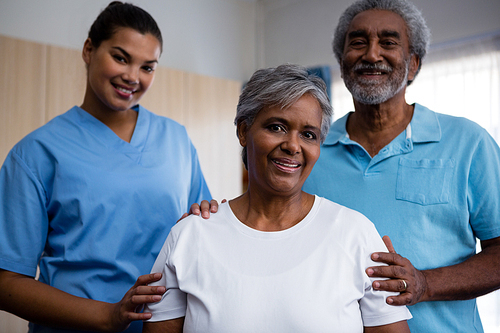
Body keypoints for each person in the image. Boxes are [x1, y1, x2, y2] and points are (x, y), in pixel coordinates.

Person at [142, 64, 412, 333]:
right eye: (277, 127)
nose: (293, 146)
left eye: (308, 134)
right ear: (244, 131)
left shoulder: (357, 234)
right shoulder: (190, 235)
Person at [0, 2, 211, 332]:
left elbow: (200, 232)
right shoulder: (36, 153)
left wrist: (209, 216)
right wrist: (108, 315)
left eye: (148, 67)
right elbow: (7, 281)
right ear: (88, 49)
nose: (132, 77)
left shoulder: (176, 139)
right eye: (121, 57)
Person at [300, 0, 500, 332]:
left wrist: (425, 283)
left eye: (388, 42)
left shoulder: (469, 142)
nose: (371, 54)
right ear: (342, 60)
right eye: (358, 42)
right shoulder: (311, 152)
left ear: (414, 64)